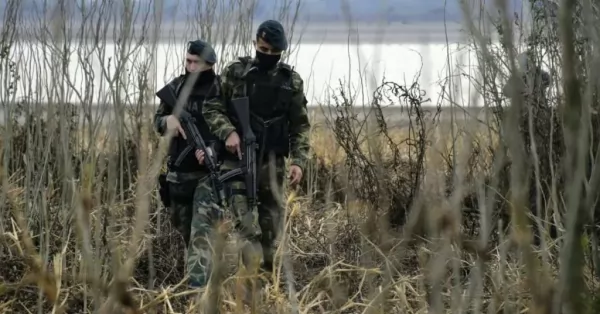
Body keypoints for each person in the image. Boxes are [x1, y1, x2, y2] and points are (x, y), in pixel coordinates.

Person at [202, 20, 311, 275]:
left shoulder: (291, 81)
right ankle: (251, 282)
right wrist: (228, 131)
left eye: (275, 52)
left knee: (271, 226)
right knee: (247, 226)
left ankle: (267, 279)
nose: (269, 56)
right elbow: (212, 106)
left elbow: (300, 125)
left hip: (272, 164)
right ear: (254, 44)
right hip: (238, 160)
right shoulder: (235, 73)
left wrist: (298, 161)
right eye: (264, 49)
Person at [153, 39, 223, 288]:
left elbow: (233, 131)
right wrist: (167, 122)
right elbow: (158, 121)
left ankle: (196, 293)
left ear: (209, 64)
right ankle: (208, 280)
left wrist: (214, 149)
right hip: (178, 175)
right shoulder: (177, 87)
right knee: (187, 234)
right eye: (188, 61)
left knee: (200, 235)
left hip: (208, 176)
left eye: (196, 62)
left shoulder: (221, 90)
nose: (191, 67)